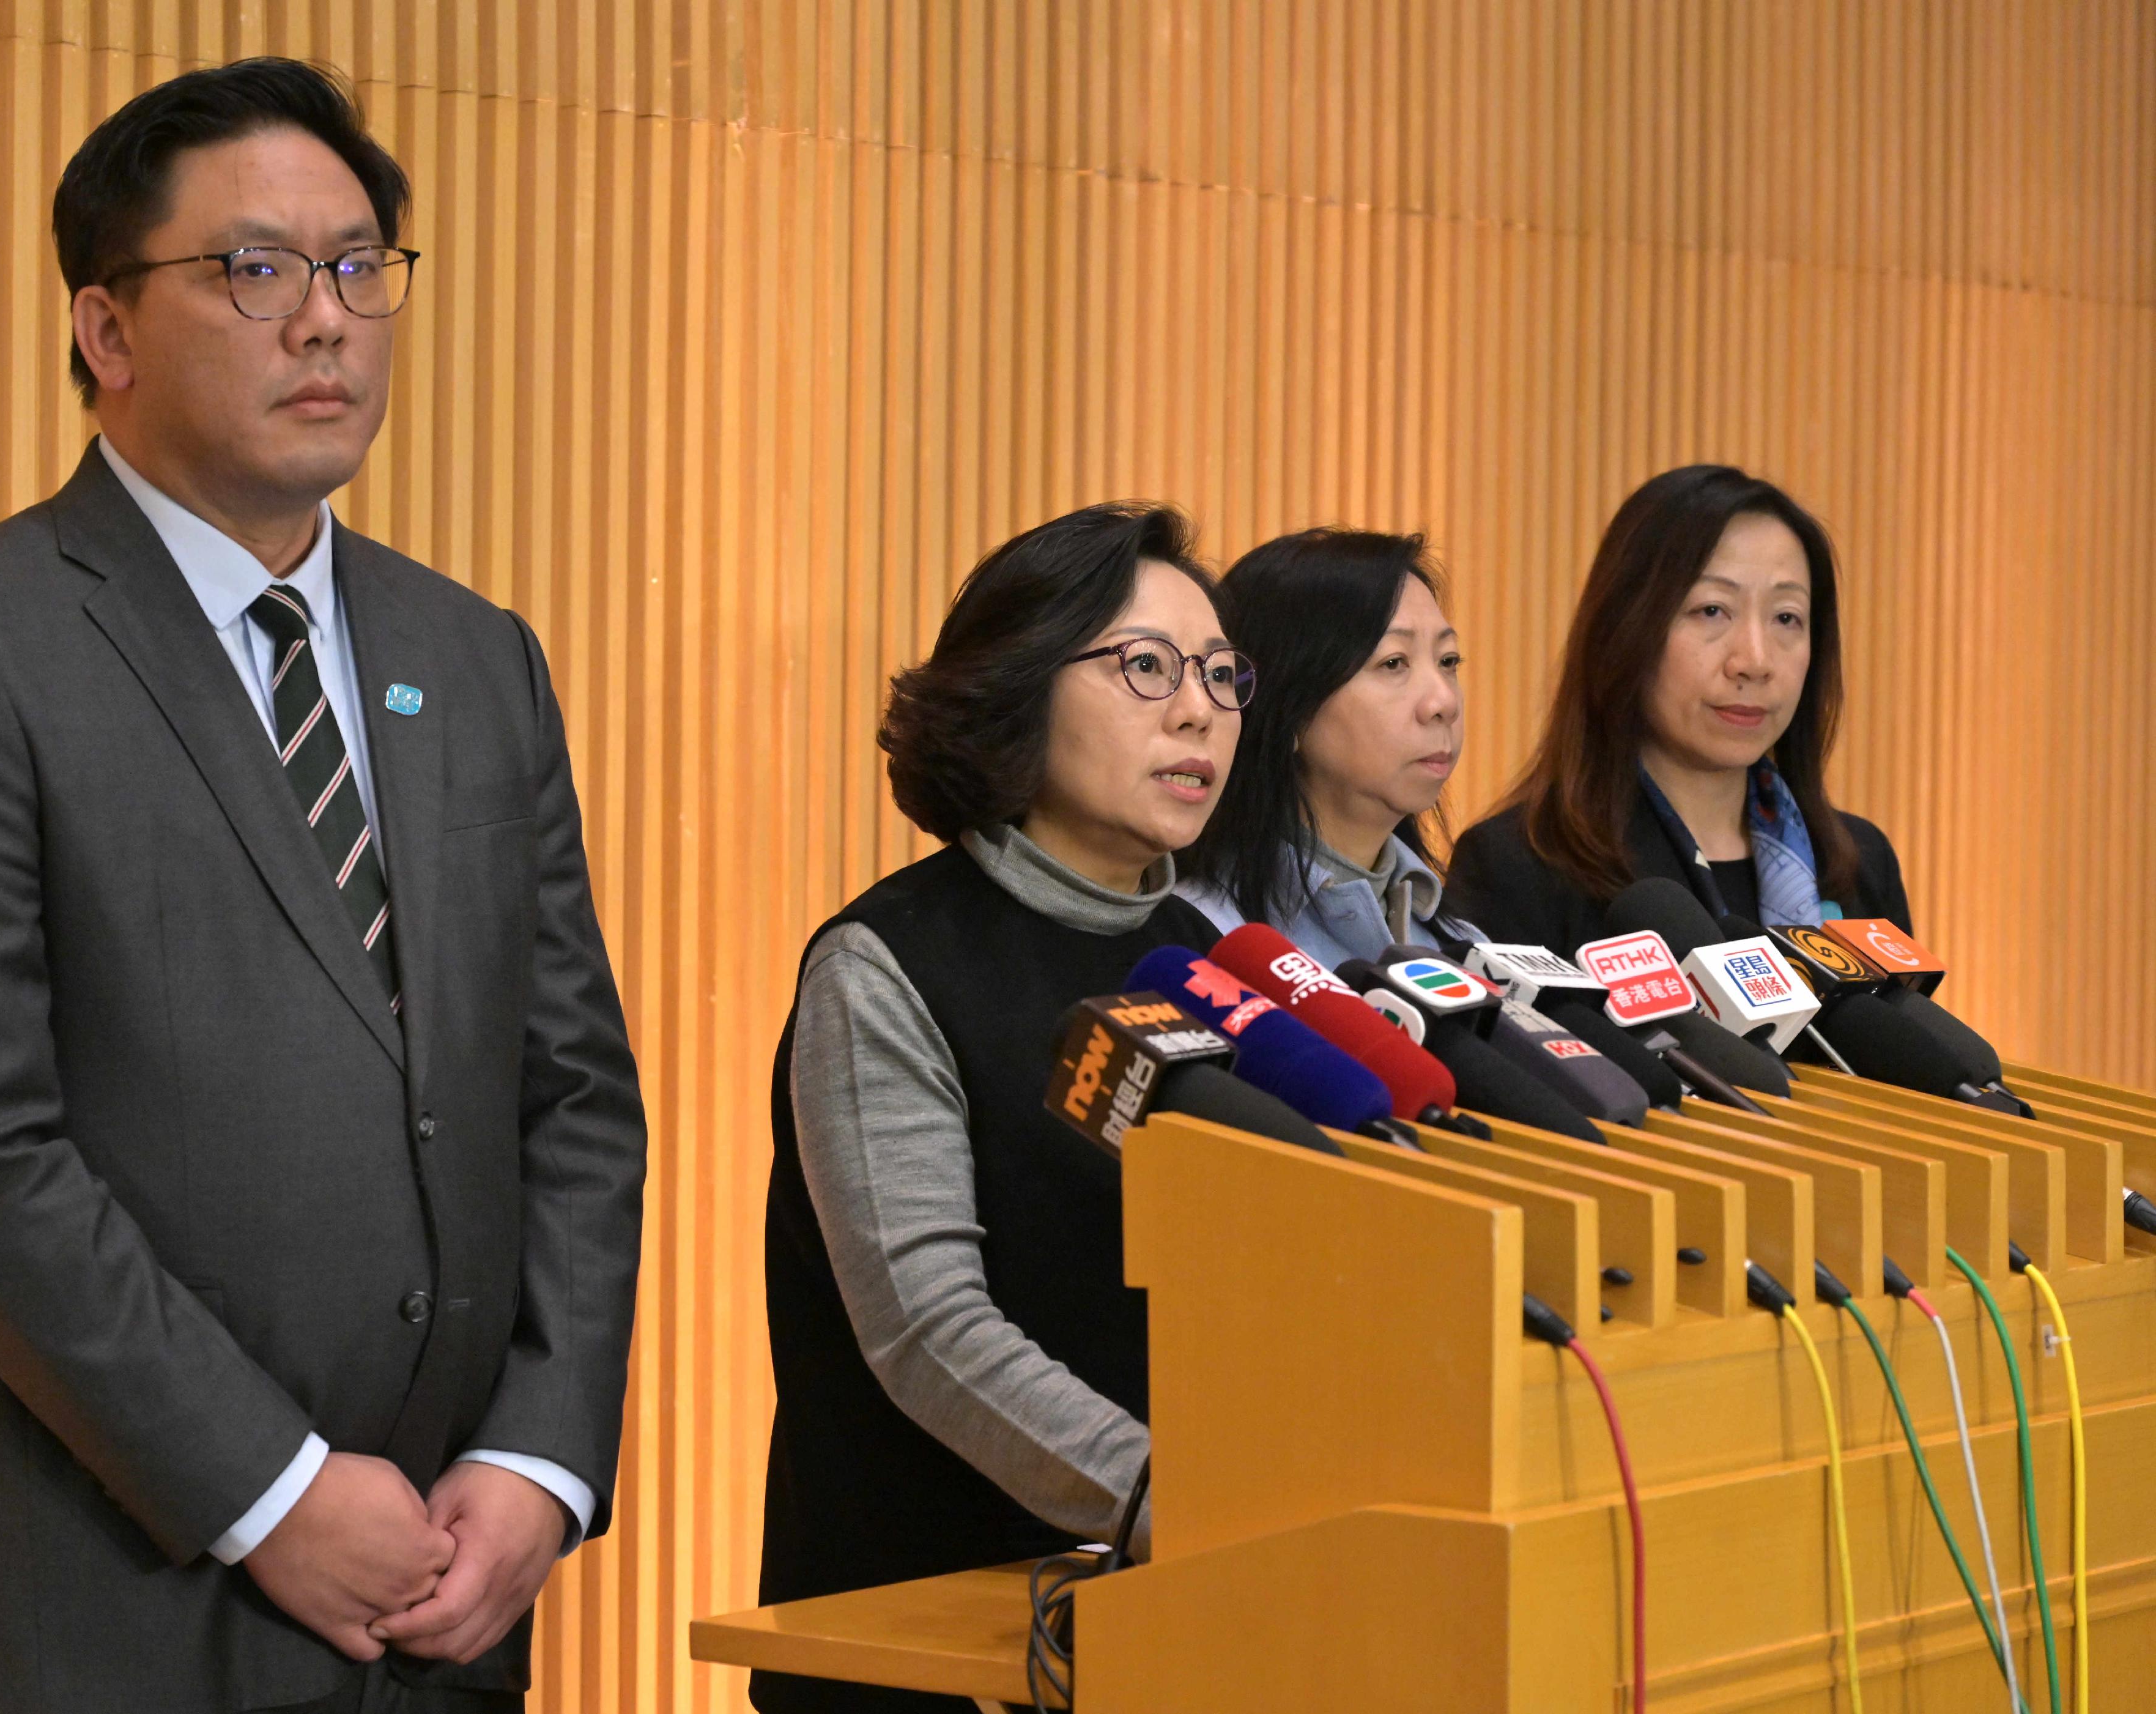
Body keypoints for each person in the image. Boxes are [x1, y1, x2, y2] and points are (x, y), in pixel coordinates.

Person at [0, 60, 647, 1714]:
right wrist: (271, 1488)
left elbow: (576, 1096)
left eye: (357, 266)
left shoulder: (474, 659)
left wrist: (542, 1462)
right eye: (252, 269)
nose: (323, 319)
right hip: (114, 1597)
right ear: (106, 332)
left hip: (448, 1600)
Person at [756, 503, 1250, 1713]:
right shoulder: (888, 965)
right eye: (1144, 668)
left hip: (1176, 1625)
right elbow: (926, 1331)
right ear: (1017, 687)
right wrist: (1166, 1503)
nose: (1196, 711)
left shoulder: (1206, 954)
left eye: (1220, 676)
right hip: (926, 1638)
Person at [1444, 464, 1913, 952]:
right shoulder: (1519, 869)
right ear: (1628, 629)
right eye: (1711, 610)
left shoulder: (1859, 865)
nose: (1754, 661)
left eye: (1786, 618)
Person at [1180, 529, 1465, 963]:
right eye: (1393, 663)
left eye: (1448, 662)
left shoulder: (1464, 945)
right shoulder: (1205, 937)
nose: (1443, 702)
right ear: (1287, 707)